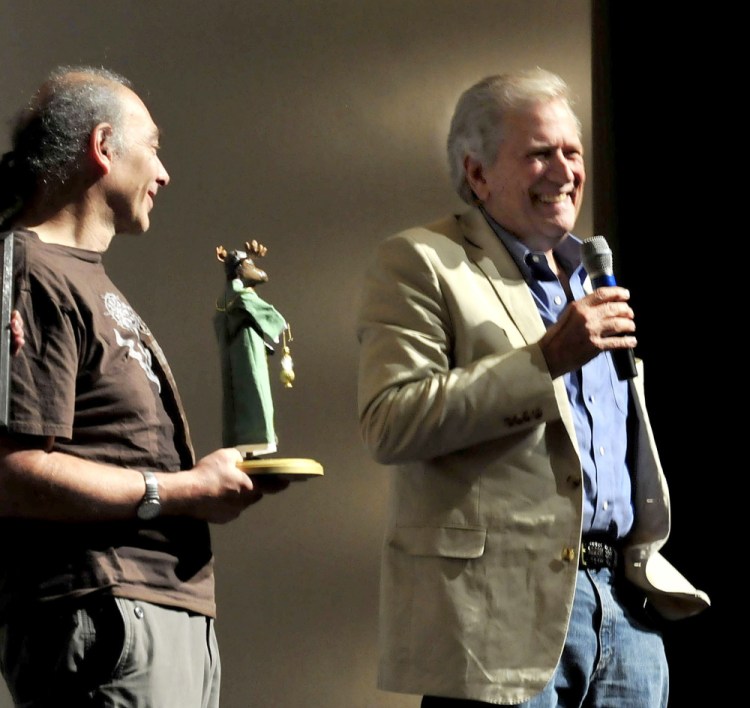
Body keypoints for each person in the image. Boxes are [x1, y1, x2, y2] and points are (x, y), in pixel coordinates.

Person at [356, 68, 710, 707]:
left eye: (571, 151)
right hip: (499, 616)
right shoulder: (423, 263)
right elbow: (392, 421)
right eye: (539, 153)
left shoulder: (590, 280)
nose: (564, 170)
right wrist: (545, 358)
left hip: (626, 607)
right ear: (478, 173)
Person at [0, 65, 288, 707]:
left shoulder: (77, 278)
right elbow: (12, 473)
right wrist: (184, 490)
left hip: (151, 612)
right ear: (103, 148)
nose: (163, 173)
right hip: (107, 613)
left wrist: (206, 483)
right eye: (152, 147)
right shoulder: (33, 273)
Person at [214, 240, 288, 458]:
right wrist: (281, 325)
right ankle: (254, 441)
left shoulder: (226, 298)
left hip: (238, 360)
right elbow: (270, 316)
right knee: (256, 396)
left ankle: (244, 443)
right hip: (248, 359)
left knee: (238, 402)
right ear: (240, 270)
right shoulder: (241, 298)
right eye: (249, 266)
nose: (256, 271)